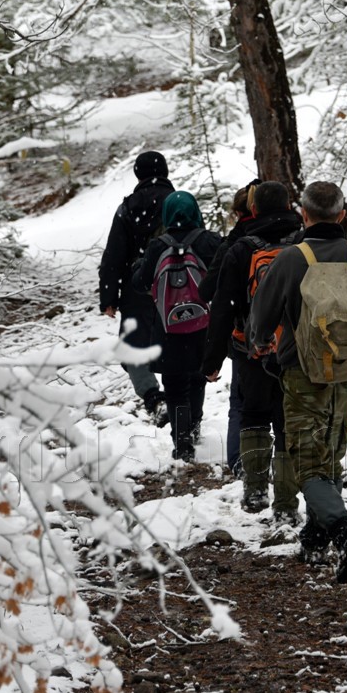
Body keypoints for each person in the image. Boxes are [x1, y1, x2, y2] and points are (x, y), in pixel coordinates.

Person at [249, 181, 347, 582]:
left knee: (307, 462)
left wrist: (259, 345)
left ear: (304, 214)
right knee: (329, 450)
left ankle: (345, 533)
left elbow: (261, 320)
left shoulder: (293, 259)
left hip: (302, 373)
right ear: (343, 215)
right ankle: (314, 536)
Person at [201, 181, 303, 521]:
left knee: (254, 414)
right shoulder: (304, 243)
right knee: (289, 423)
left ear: (254, 209)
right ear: (290, 207)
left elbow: (222, 308)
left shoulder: (241, 248)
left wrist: (212, 360)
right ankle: (287, 504)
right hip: (296, 350)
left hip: (250, 349)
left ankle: (256, 490)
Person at [132, 191, 222, 461]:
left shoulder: (158, 246)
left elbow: (141, 282)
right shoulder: (209, 241)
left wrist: (139, 267)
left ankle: (181, 441)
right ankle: (194, 427)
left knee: (173, 384)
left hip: (168, 327)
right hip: (203, 323)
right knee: (197, 377)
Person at [98, 151, 173, 417]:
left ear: (138, 174)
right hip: (177, 284)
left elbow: (114, 255)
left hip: (137, 287)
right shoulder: (178, 203)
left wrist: (109, 297)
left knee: (133, 348)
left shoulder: (127, 208)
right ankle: (181, 403)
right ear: (164, 171)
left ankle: (154, 397)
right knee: (179, 343)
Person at [199, 181, 260, 476]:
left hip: (246, 338)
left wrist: (212, 360)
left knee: (242, 405)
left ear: (240, 213)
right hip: (289, 340)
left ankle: (241, 465)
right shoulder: (295, 237)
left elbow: (210, 294)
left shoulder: (235, 246)